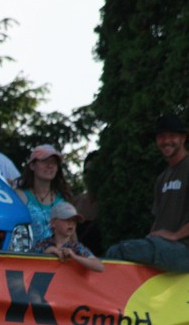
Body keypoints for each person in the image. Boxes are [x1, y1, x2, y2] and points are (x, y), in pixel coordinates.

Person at [105, 114, 189, 272]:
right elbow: (158, 220)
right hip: (166, 247)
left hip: (184, 248)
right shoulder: (162, 178)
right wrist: (151, 238)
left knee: (118, 252)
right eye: (161, 137)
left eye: (172, 136)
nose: (166, 141)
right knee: (128, 257)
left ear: (183, 138)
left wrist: (176, 235)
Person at [15, 144, 71, 247]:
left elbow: (72, 237)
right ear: (32, 165)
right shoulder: (20, 196)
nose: (50, 166)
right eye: (45, 161)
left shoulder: (62, 199)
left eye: (54, 162)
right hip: (29, 259)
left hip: (58, 259)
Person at [33, 202, 104, 272]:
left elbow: (100, 266)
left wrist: (74, 257)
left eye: (74, 220)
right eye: (67, 219)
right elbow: (26, 265)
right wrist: (46, 253)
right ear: (53, 223)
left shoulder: (76, 247)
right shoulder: (42, 244)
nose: (71, 223)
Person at [71, 150, 103, 256]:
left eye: (94, 172)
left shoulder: (109, 204)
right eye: (86, 172)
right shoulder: (74, 202)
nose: (89, 176)